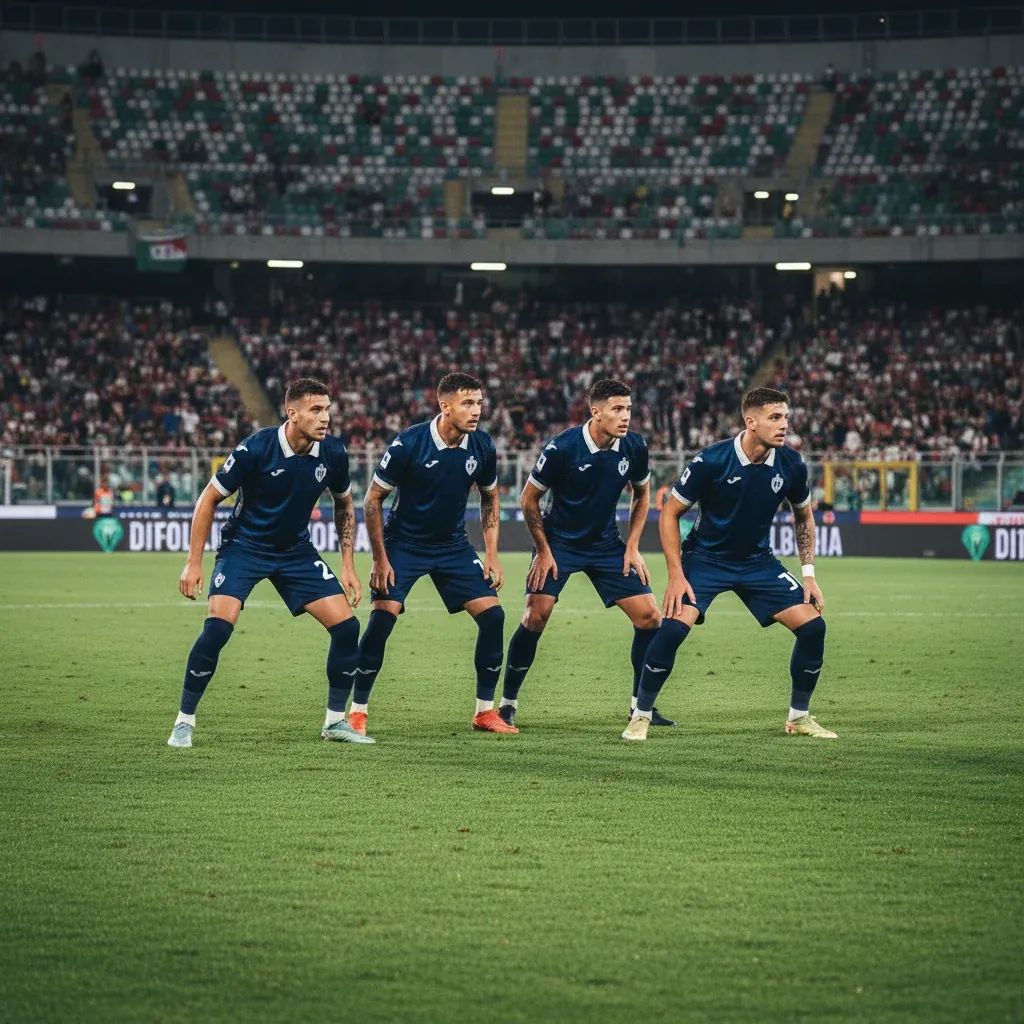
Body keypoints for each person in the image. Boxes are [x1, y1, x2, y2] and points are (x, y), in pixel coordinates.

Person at [167, 378, 372, 748]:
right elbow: (208, 500)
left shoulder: (333, 453)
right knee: (218, 629)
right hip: (244, 547)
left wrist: (348, 565)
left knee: (346, 628)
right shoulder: (256, 448)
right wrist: (192, 563)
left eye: (327, 409)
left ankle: (335, 722)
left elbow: (344, 504)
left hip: (295, 551)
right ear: (291, 414)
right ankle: (184, 722)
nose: (325, 417)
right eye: (315, 410)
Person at [623, 386, 834, 742]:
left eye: (786, 417)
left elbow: (804, 517)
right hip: (705, 559)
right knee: (673, 628)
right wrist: (676, 575)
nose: (784, 425)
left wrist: (808, 575)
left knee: (813, 627)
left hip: (757, 562)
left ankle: (798, 717)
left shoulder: (792, 464)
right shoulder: (713, 460)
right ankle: (641, 715)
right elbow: (670, 513)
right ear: (750, 422)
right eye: (775, 417)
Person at [498, 378, 673, 728]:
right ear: (596, 412)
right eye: (617, 410)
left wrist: (634, 547)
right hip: (559, 542)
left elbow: (642, 495)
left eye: (628, 409)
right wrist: (544, 551)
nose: (626, 416)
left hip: (606, 544)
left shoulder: (634, 446)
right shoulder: (563, 447)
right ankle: (507, 704)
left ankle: (642, 706)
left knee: (650, 617)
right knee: (535, 616)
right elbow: (528, 499)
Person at [346, 372, 513, 736]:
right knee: (382, 619)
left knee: (494, 616)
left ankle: (485, 712)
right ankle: (357, 711)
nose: (476, 410)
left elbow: (490, 498)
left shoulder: (482, 446)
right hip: (404, 544)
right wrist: (380, 559)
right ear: (445, 406)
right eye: (468, 403)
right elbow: (373, 500)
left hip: (452, 545)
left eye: (479, 403)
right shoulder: (410, 443)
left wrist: (492, 554)